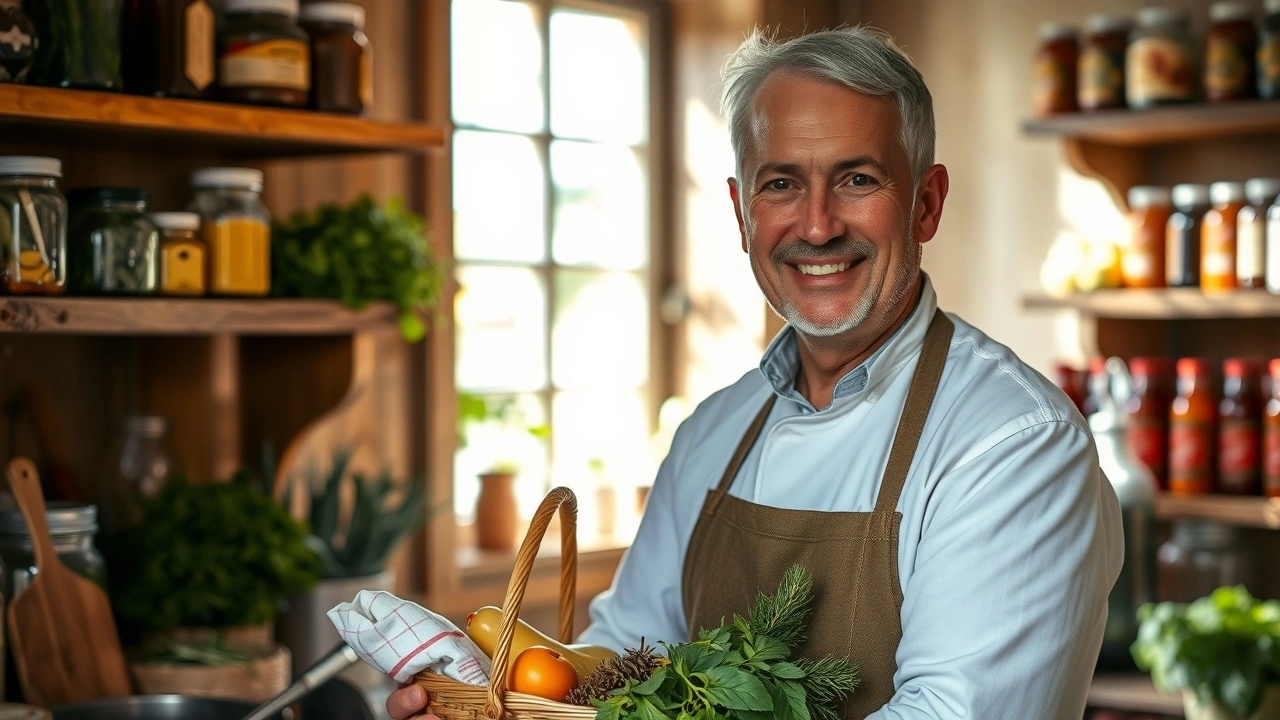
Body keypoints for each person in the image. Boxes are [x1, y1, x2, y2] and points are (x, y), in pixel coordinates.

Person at [389, 24, 1122, 720]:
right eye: (780, 185)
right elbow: (627, 658)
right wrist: (497, 702)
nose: (816, 225)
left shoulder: (1015, 443)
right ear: (741, 213)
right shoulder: (713, 432)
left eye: (857, 179)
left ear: (925, 204)